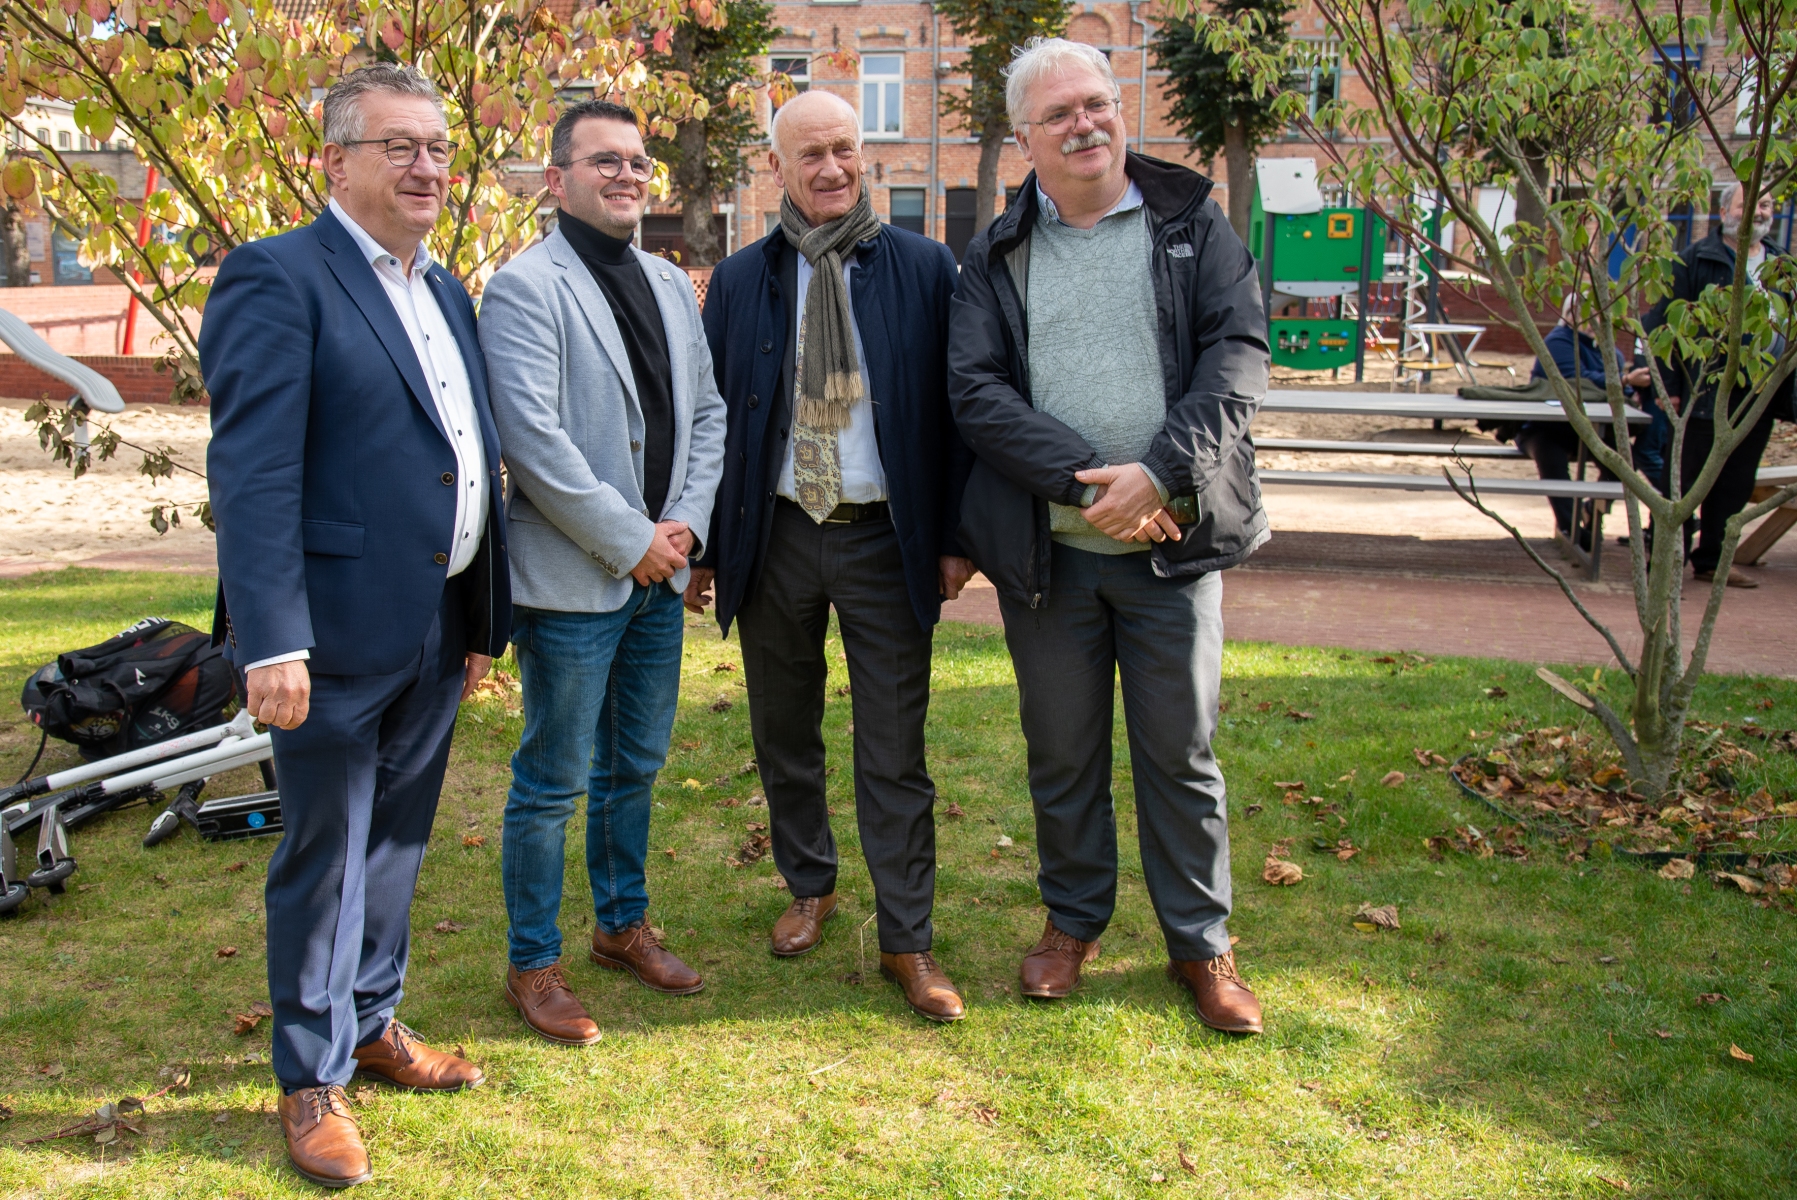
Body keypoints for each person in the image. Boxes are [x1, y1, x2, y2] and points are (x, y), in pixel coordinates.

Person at [200, 64, 511, 1188]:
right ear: (335, 161)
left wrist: (474, 615)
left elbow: (456, 453)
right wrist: (272, 640)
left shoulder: (446, 288)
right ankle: (311, 1076)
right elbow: (252, 474)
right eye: (399, 147)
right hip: (326, 636)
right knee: (325, 856)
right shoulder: (277, 276)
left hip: (433, 619)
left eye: (438, 148)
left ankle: (373, 1023)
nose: (428, 167)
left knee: (395, 843)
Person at [947, 37, 1269, 1034]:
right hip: (1052, 560)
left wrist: (1158, 473)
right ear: (1026, 140)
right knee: (1063, 754)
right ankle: (1072, 922)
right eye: (1058, 114)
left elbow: (1237, 358)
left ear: (1119, 108)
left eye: (1095, 102)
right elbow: (975, 390)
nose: (1083, 124)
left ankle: (1200, 945)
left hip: (1175, 552)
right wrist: (1093, 484)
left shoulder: (1192, 223)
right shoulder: (994, 252)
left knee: (1181, 757)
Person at [690, 90, 974, 1022]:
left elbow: (958, 412)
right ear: (775, 167)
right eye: (808, 154)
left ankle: (907, 937)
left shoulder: (925, 268)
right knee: (783, 731)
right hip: (774, 535)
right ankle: (809, 883)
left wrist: (956, 538)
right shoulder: (743, 279)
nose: (830, 169)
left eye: (844, 149)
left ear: (865, 156)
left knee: (893, 747)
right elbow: (716, 421)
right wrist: (706, 545)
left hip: (883, 539)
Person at [478, 100, 726, 1041]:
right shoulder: (524, 288)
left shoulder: (667, 282)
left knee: (635, 765)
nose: (626, 175)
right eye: (603, 161)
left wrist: (686, 525)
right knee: (551, 781)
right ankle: (533, 963)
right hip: (575, 580)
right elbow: (533, 444)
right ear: (557, 179)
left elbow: (707, 416)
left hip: (661, 572)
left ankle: (622, 926)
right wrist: (633, 540)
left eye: (636, 160)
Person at [1643, 181, 1794, 588]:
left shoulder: (1781, 265)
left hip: (1759, 394)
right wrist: (1669, 386)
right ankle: (1664, 565)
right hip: (1704, 392)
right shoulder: (1695, 260)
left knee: (1736, 482)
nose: (1759, 211)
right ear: (1725, 211)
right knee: (1683, 482)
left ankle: (1711, 561)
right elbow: (1662, 326)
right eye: (1749, 204)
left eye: (1766, 204)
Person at [1516, 295, 1653, 544]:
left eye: (1598, 315)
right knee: (1550, 457)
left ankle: (1594, 510)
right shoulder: (1557, 341)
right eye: (1586, 314)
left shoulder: (1610, 351)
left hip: (1591, 429)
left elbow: (1613, 387)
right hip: (1547, 427)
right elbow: (1575, 381)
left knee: (1624, 463)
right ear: (1569, 315)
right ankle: (1571, 529)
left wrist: (1627, 386)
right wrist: (1623, 381)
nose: (1593, 321)